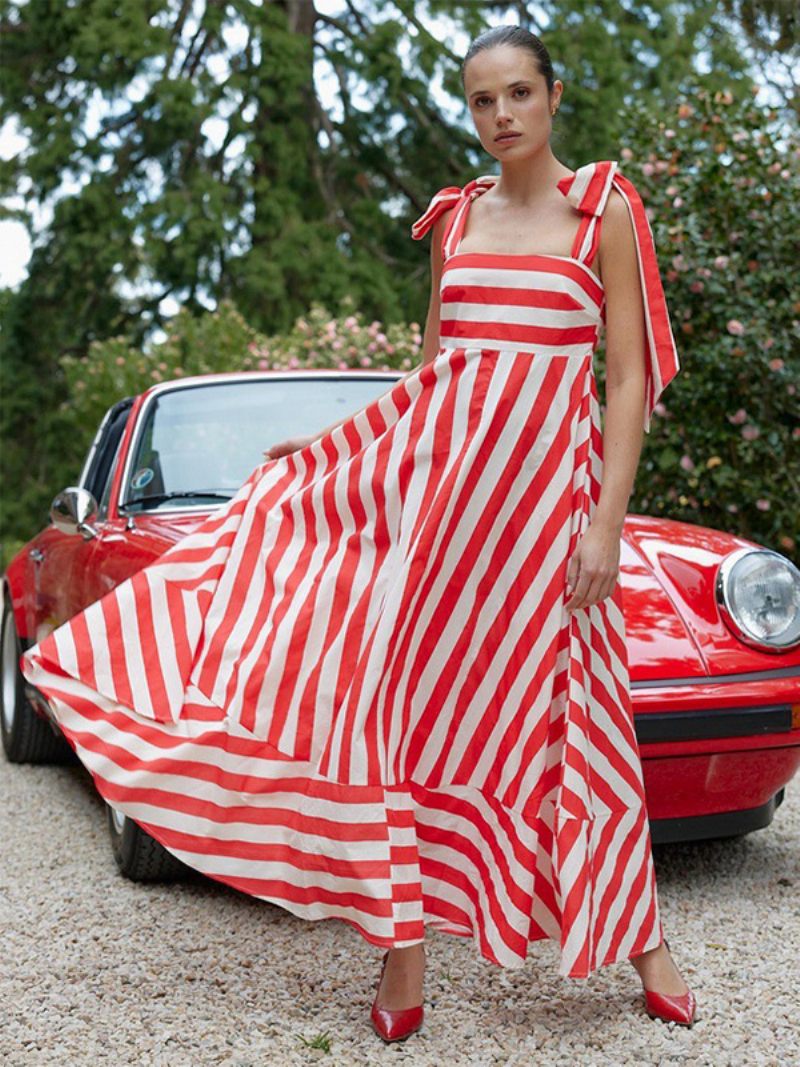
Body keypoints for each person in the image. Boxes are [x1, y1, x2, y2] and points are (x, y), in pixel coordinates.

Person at [20, 23, 694, 1047]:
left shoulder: (598, 208)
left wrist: (603, 524)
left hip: (547, 517)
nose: (500, 115)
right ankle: (404, 949)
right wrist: (333, 447)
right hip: (447, 519)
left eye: (518, 93)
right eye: (481, 100)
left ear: (553, 96)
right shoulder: (456, 222)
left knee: (579, 719)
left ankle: (642, 942)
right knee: (410, 717)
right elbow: (430, 381)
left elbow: (629, 379)